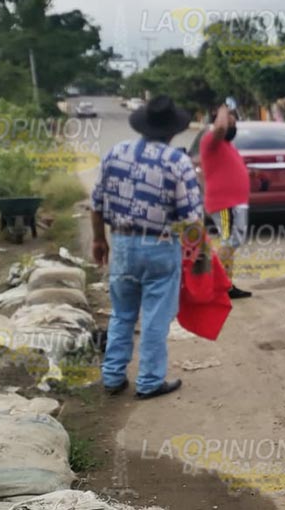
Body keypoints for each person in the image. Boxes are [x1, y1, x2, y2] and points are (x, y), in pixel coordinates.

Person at [91, 95, 204, 400]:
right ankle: (149, 381)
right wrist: (197, 254)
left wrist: (99, 239)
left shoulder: (116, 153)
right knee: (155, 317)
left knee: (122, 313)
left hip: (123, 244)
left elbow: (96, 202)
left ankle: (113, 377)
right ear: (172, 131)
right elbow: (192, 218)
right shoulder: (177, 161)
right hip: (160, 246)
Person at [199, 100, 252, 299]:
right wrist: (223, 108)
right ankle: (215, 285)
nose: (234, 125)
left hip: (234, 203)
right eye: (232, 122)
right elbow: (220, 127)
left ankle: (225, 285)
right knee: (230, 240)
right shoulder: (210, 141)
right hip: (225, 204)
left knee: (232, 242)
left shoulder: (227, 145)